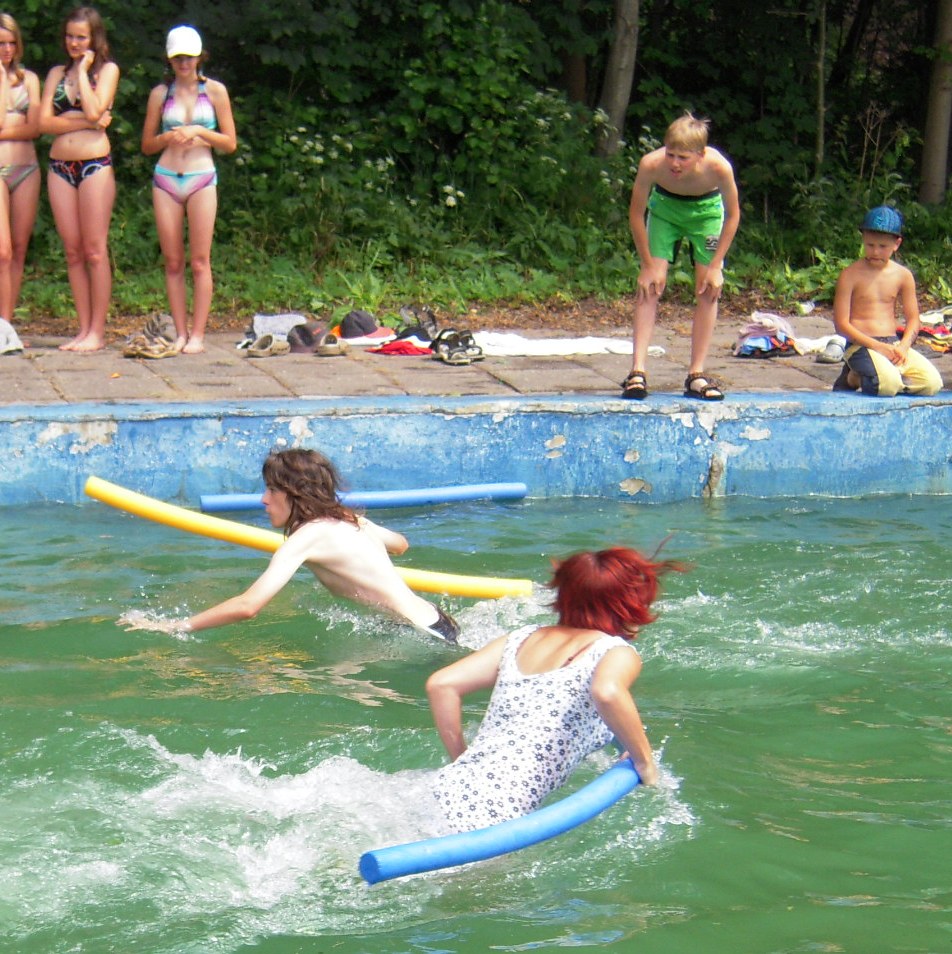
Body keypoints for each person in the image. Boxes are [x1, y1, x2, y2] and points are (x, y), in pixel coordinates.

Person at [426, 546, 684, 832]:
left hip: (448, 785)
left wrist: (461, 759)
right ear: (629, 603)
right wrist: (644, 761)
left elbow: (442, 684)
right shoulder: (614, 651)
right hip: (497, 809)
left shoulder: (521, 637)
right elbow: (608, 693)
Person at [119, 448, 461, 642]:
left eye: (272, 490)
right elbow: (400, 544)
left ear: (295, 495)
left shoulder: (309, 536)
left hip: (419, 634)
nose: (263, 499)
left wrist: (174, 626)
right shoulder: (346, 520)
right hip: (436, 620)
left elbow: (248, 606)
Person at [622, 112, 740, 401]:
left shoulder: (719, 168)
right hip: (665, 209)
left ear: (700, 154)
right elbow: (636, 214)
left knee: (708, 288)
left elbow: (733, 215)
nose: (674, 164)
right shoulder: (651, 164)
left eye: (683, 158)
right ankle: (637, 371)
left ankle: (696, 374)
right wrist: (647, 265)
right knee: (650, 285)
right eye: (670, 155)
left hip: (706, 213)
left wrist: (716, 266)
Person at [140, 25, 236, 355]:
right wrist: (168, 136)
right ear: (170, 60)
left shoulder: (215, 91)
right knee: (172, 261)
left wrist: (199, 131)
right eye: (178, 57)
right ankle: (180, 332)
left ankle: (198, 333)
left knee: (200, 261)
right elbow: (147, 144)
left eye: (189, 57)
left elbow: (230, 143)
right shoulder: (160, 94)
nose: (184, 63)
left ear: (199, 57)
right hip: (167, 177)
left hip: (201, 176)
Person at [38, 6, 119, 353]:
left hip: (94, 165)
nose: (74, 43)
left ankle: (97, 331)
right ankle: (83, 328)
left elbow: (95, 109)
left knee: (94, 250)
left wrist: (84, 72)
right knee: (73, 251)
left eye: (81, 37)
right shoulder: (57, 73)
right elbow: (43, 122)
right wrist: (86, 122)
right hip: (60, 166)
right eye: (70, 36)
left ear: (94, 38)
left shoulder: (106, 71)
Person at [832, 205, 943, 397]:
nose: (875, 252)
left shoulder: (903, 275)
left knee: (932, 384)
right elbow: (841, 325)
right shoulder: (850, 275)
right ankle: (853, 377)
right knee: (887, 385)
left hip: (892, 343)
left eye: (882, 247)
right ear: (863, 239)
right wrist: (878, 347)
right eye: (870, 245)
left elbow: (913, 319)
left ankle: (882, 376)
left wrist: (903, 346)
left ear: (896, 244)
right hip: (861, 344)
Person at [0, 14, 41, 332]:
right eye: (1, 43)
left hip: (26, 168)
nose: (7, 49)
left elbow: (36, 127)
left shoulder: (30, 79)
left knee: (19, 248)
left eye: (12, 43)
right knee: (2, 251)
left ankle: (7, 326)